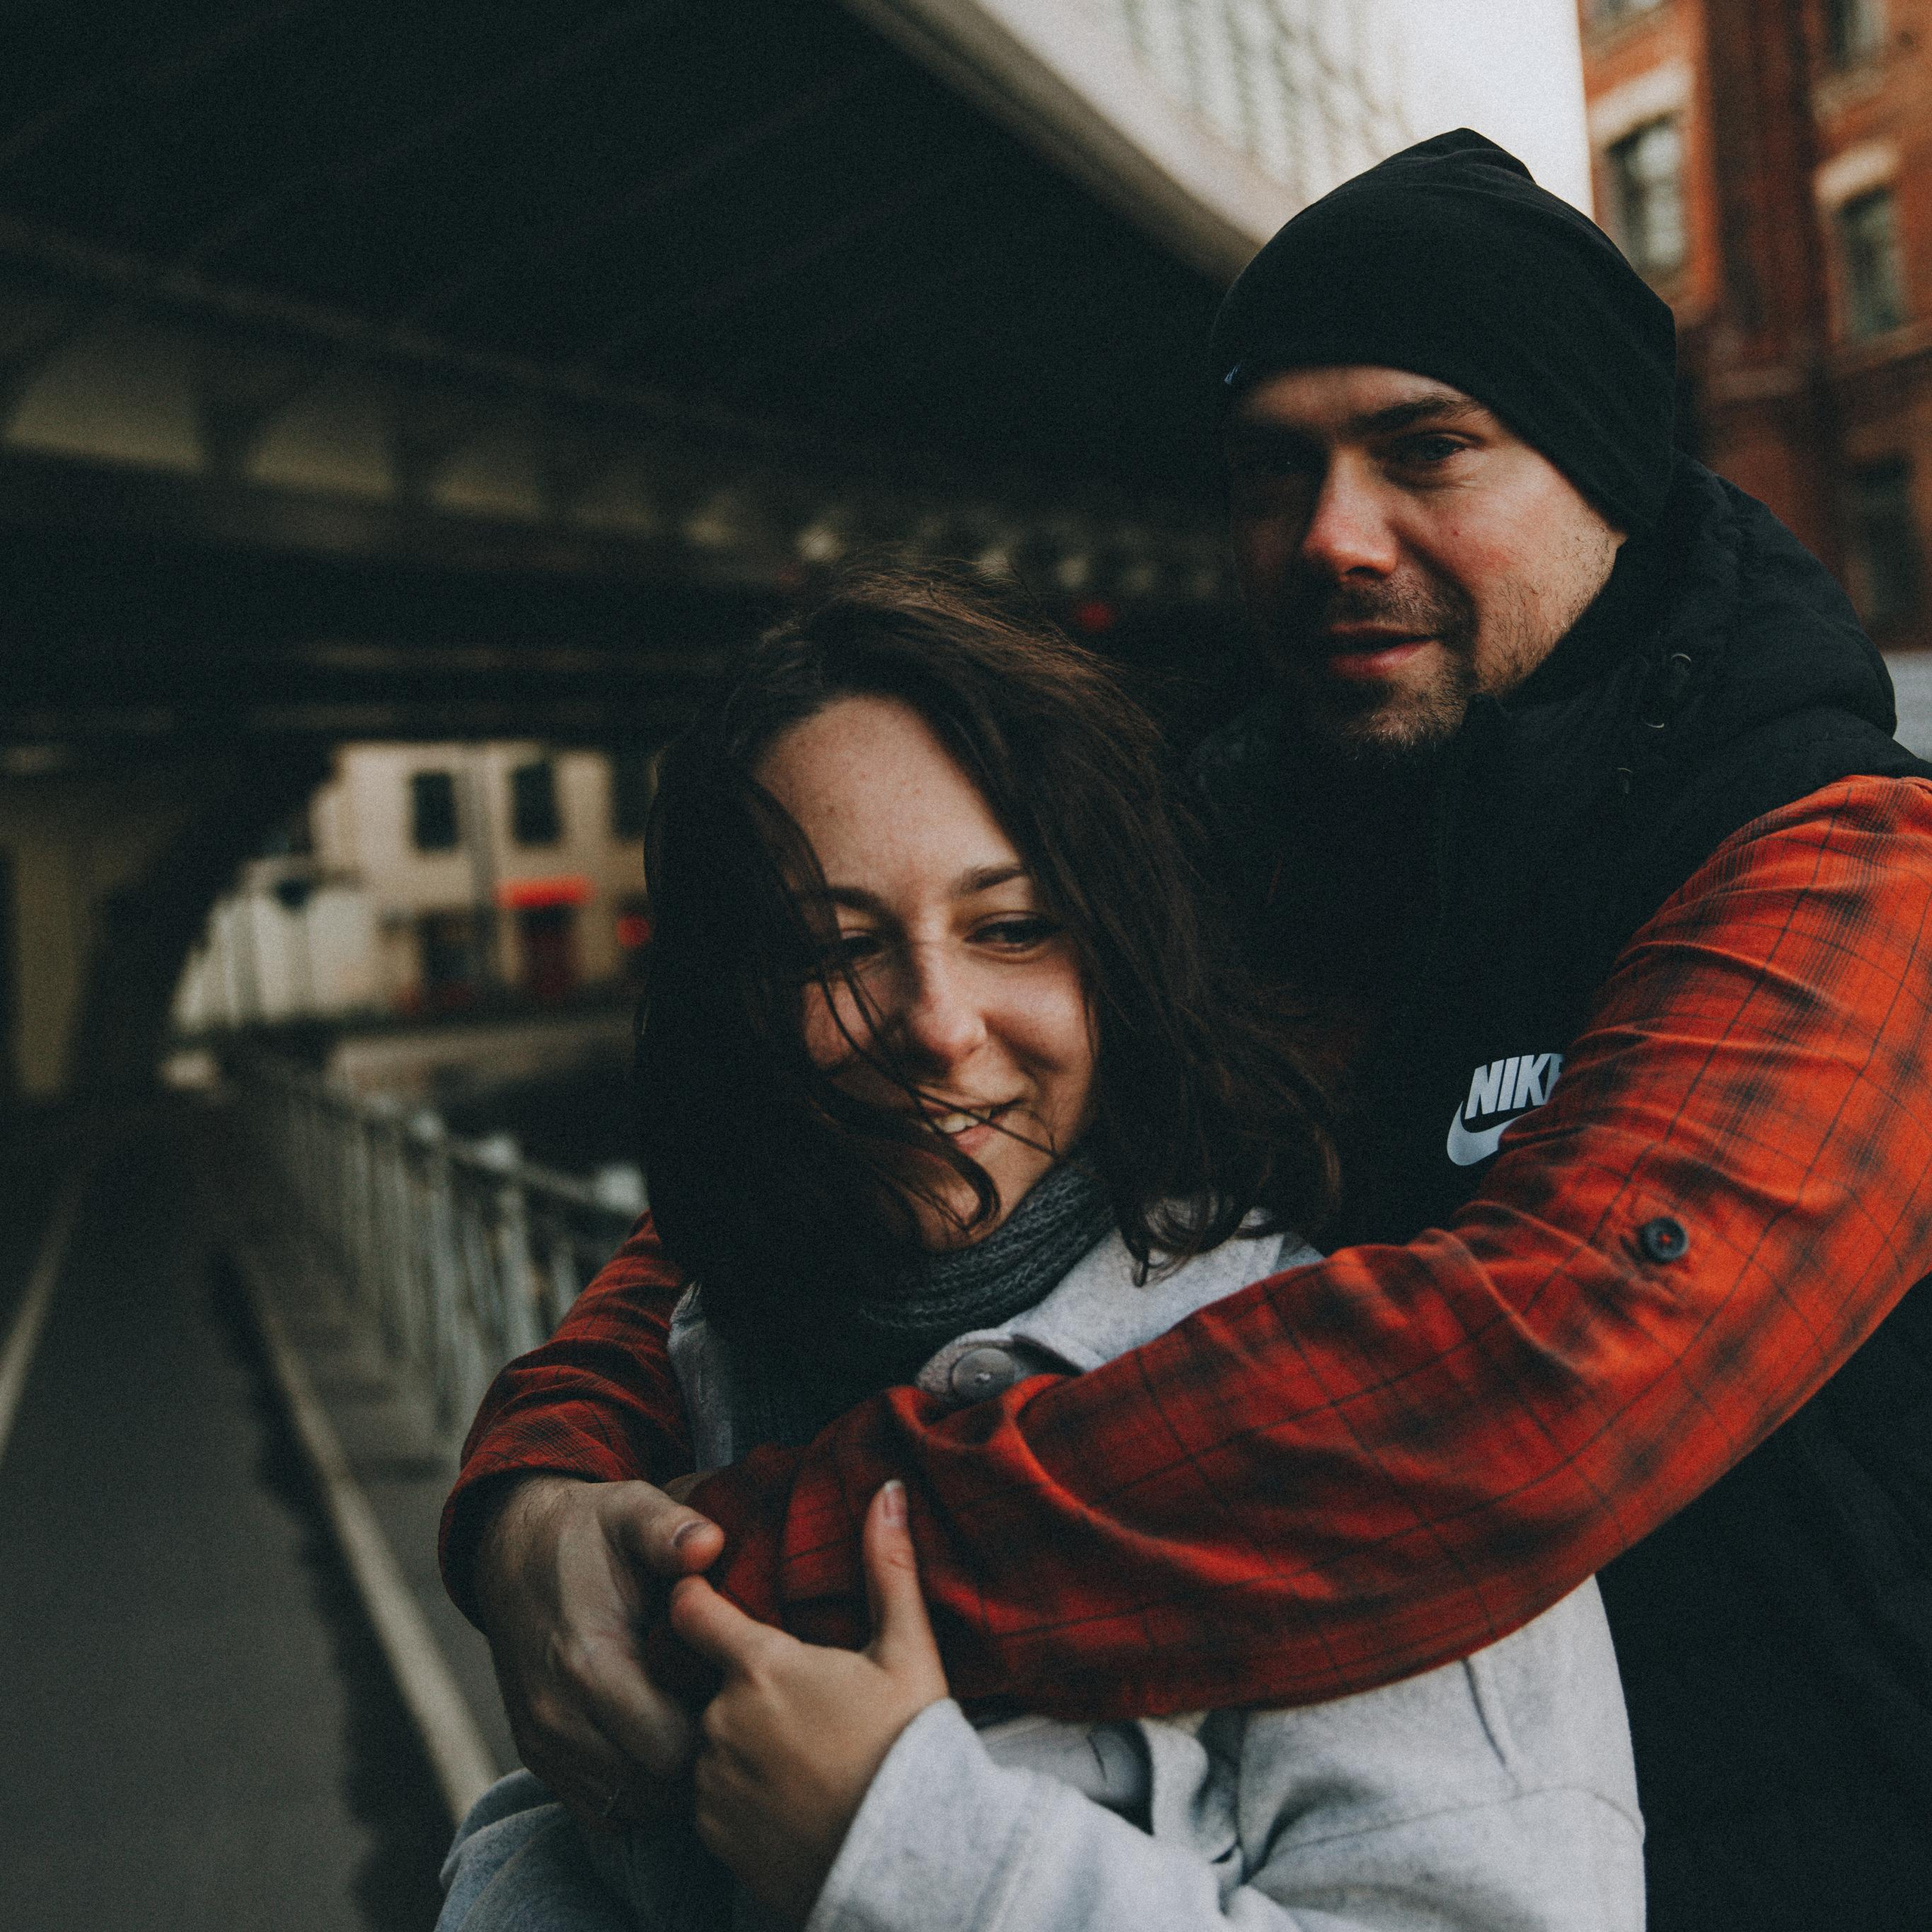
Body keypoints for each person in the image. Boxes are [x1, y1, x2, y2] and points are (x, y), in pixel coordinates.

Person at [443, 132, 1932, 1930]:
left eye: (1424, 448)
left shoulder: (1843, 866)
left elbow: (1520, 1389)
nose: (1330, 535)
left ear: (1604, 471)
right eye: (1270, 468)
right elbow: (810, 1164)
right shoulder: (1228, 841)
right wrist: (541, 1481)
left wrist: (720, 1566)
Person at [440, 571, 1642, 1931]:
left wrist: (904, 1849)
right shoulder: (693, 1384)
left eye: (1012, 929)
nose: (939, 1025)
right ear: (737, 1005)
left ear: (1122, 956)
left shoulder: (1344, 1413)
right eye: (836, 949)